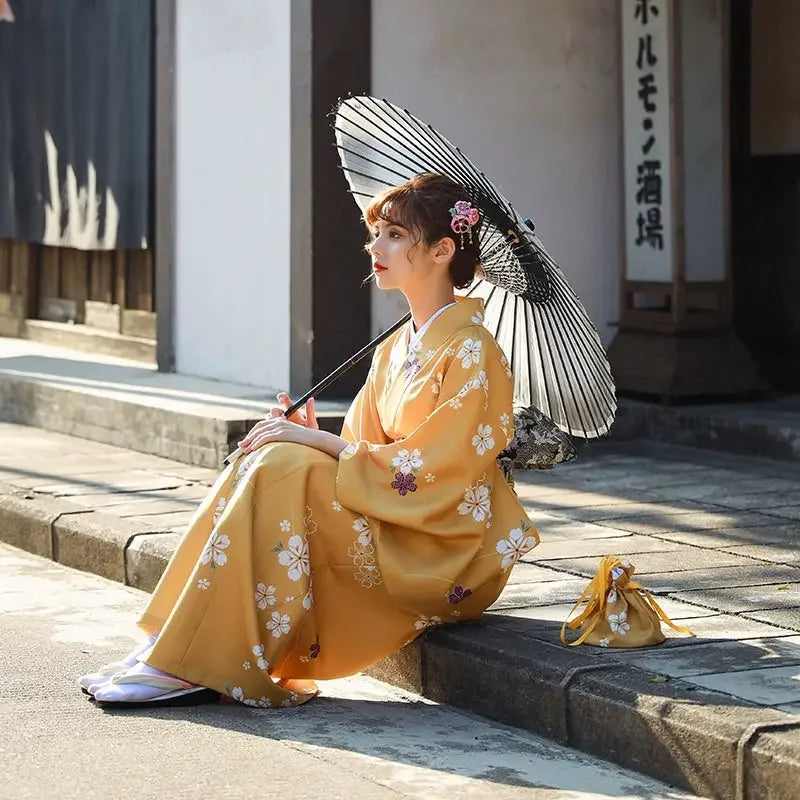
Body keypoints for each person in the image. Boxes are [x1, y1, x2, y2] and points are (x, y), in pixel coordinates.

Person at [79, 172, 539, 708]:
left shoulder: (472, 350)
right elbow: (360, 448)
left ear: (441, 250)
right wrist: (312, 435)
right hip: (399, 512)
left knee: (284, 464)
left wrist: (313, 446)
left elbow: (435, 468)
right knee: (272, 455)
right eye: (377, 233)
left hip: (444, 546)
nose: (375, 246)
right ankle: (176, 644)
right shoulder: (398, 348)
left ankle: (194, 659)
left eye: (393, 234)